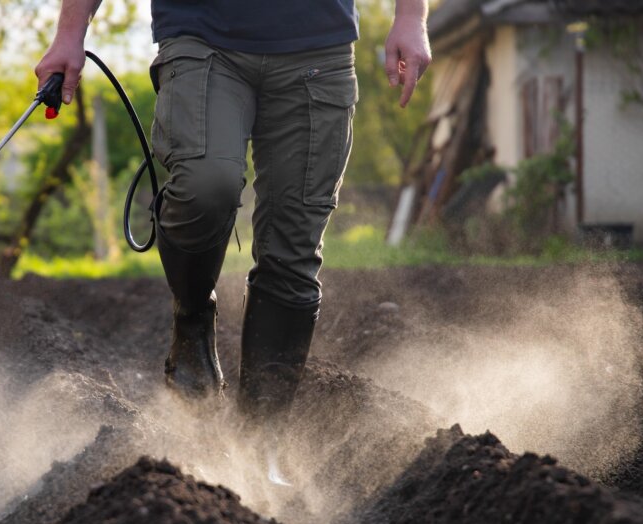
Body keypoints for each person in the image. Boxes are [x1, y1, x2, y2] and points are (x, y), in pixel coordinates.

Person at [37, 1, 431, 425]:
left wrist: (411, 17)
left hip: (319, 45)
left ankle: (261, 439)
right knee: (206, 186)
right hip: (201, 35)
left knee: (293, 247)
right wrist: (70, 33)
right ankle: (191, 318)